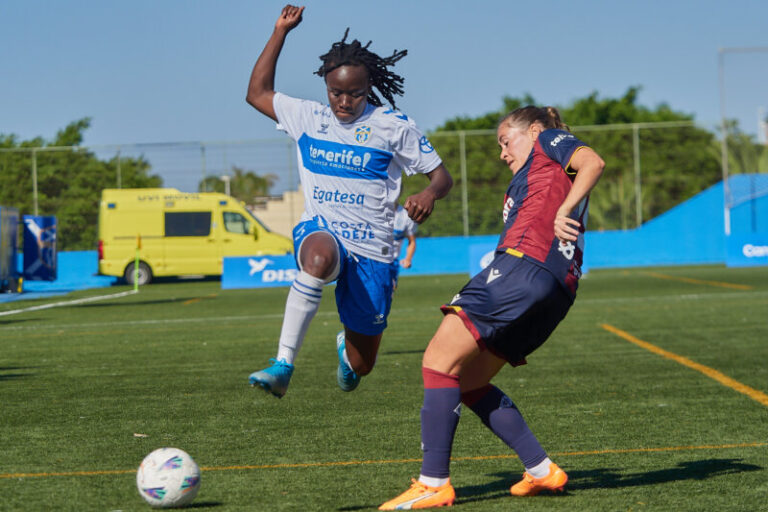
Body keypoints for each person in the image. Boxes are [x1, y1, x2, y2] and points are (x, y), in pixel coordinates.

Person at [379, 106, 605, 510]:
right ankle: (541, 470)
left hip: (522, 268)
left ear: (534, 130)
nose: (502, 153)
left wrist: (565, 210)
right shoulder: (536, 176)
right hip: (557, 290)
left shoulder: (549, 141)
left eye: (506, 141)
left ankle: (433, 483)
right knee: (467, 383)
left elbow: (592, 162)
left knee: (438, 360)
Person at [245, 5, 453, 398]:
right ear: (326, 87)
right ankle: (283, 364)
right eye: (336, 92)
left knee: (363, 365)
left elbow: (442, 176)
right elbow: (256, 93)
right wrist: (280, 33)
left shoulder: (393, 127)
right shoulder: (307, 117)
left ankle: (346, 350)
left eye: (354, 93)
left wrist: (428, 193)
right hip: (323, 231)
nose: (344, 101)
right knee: (318, 259)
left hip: (373, 248)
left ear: (367, 87)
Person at [393, 203, 418, 271]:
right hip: (371, 260)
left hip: (392, 261)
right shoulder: (371, 212)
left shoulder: (406, 215)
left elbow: (412, 241)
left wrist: (408, 259)